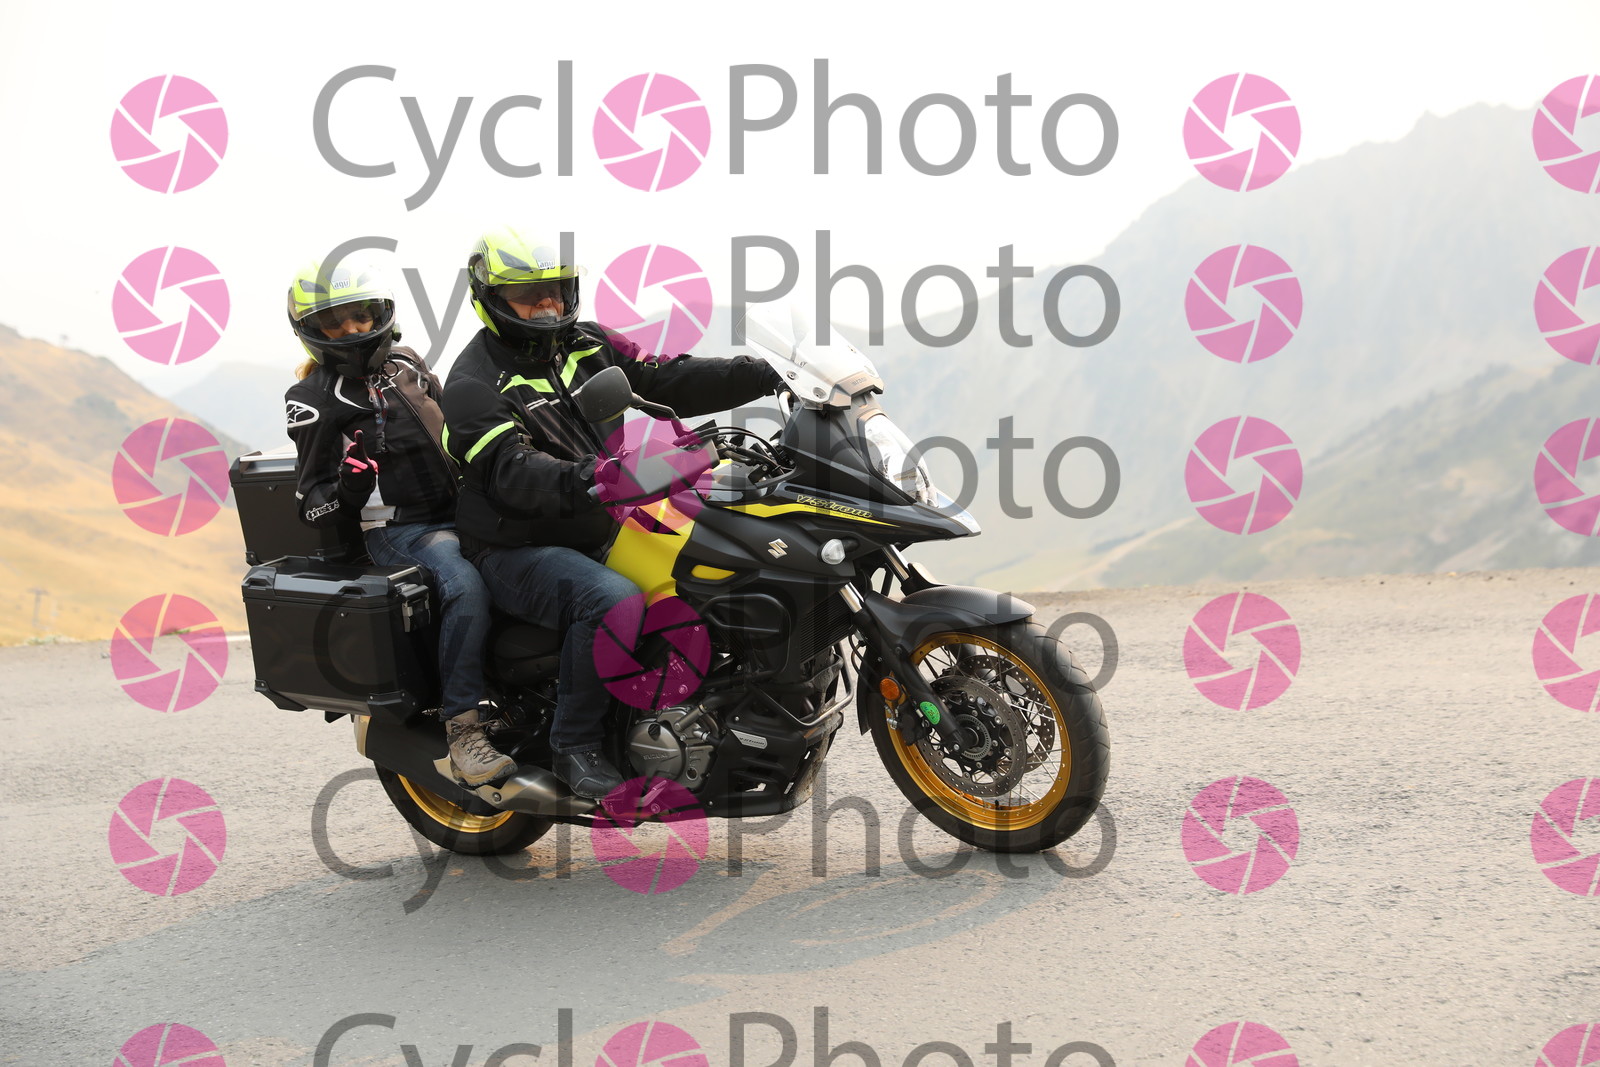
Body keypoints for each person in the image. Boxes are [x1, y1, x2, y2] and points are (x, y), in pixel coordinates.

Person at [441, 227, 786, 800]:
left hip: (602, 515)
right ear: (491, 299)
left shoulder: (589, 343)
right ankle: (574, 744)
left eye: (555, 290)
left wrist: (769, 372)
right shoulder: (472, 385)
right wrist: (597, 476)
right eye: (527, 295)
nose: (546, 305)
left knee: (724, 550)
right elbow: (514, 473)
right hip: (514, 546)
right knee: (611, 599)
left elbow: (669, 376)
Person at [283, 257, 517, 788]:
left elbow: (459, 429)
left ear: (381, 314)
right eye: (333, 323)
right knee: (464, 584)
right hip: (398, 530)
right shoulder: (312, 400)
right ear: (310, 332)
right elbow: (309, 503)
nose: (351, 330)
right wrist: (348, 488)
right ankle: (463, 732)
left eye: (361, 315)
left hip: (465, 510)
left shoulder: (407, 362)